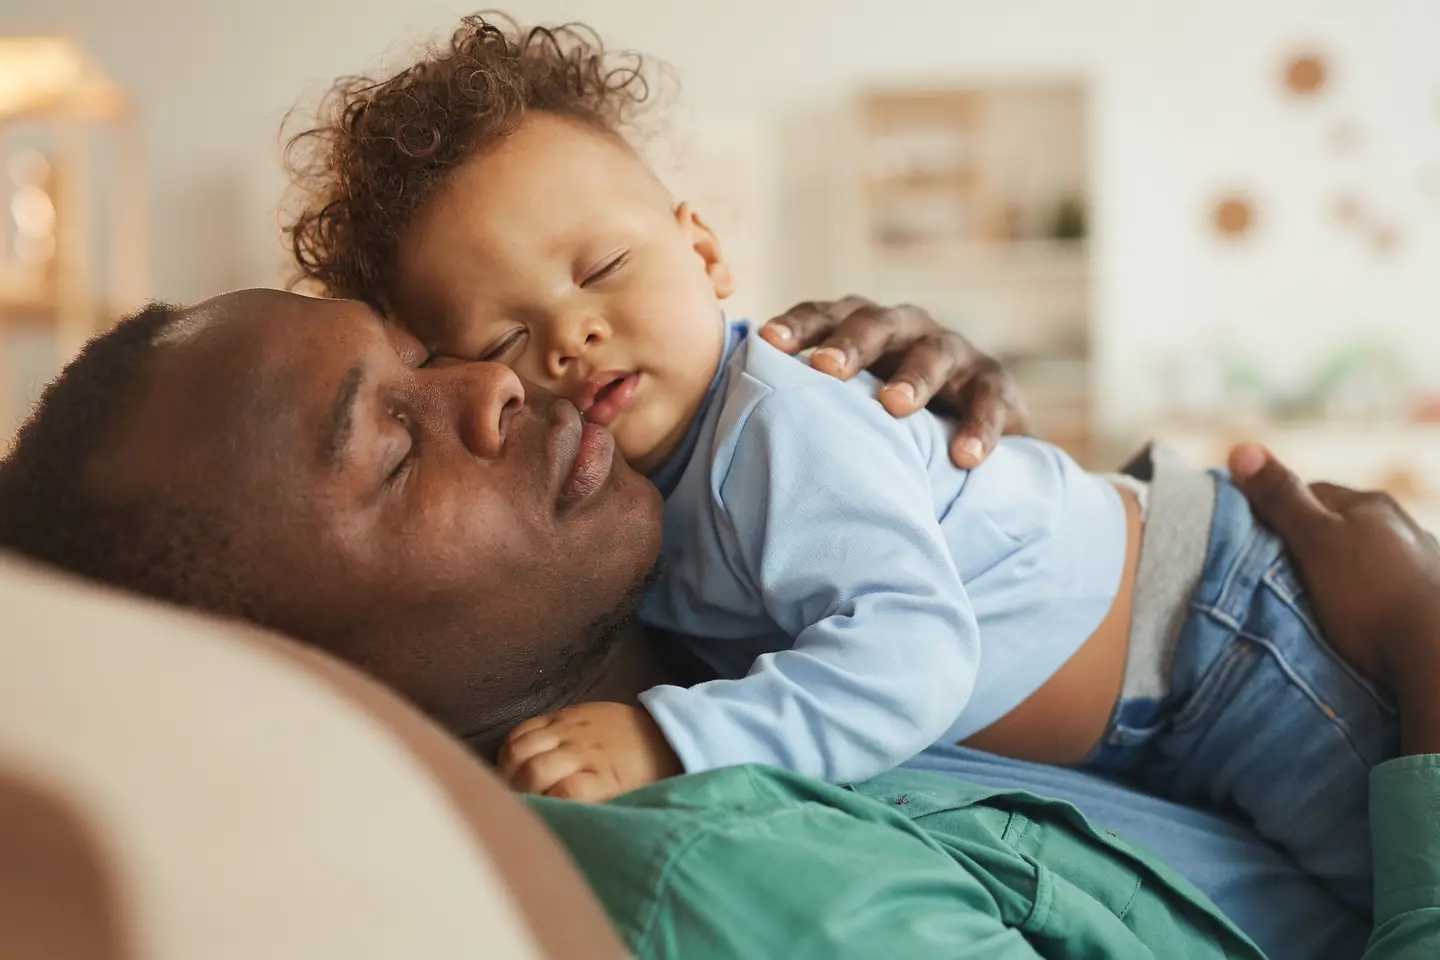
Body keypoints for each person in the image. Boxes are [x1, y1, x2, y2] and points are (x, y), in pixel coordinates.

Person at [282, 15, 1394, 911]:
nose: (570, 337)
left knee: (1392, 874)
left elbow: (912, 650)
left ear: (706, 250)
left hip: (1217, 633)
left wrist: (674, 736)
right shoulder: (637, 498)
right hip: (1136, 711)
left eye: (602, 267)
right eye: (504, 340)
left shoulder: (777, 425)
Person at [0, 291, 1437, 958]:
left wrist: (918, 436)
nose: (492, 385)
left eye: (424, 350)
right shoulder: (735, 897)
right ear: (298, 684)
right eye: (385, 449)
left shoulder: (728, 637)